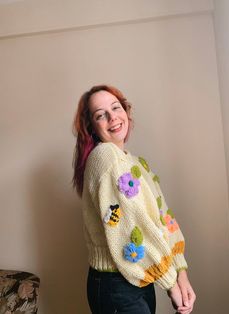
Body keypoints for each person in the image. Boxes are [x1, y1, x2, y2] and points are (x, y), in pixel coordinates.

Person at [72, 85, 196, 314]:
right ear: (91, 127)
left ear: (126, 112)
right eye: (101, 115)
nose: (112, 117)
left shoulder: (137, 164)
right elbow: (131, 225)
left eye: (116, 107)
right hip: (115, 284)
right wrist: (171, 283)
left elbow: (163, 217)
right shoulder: (105, 156)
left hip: (136, 279)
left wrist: (181, 273)